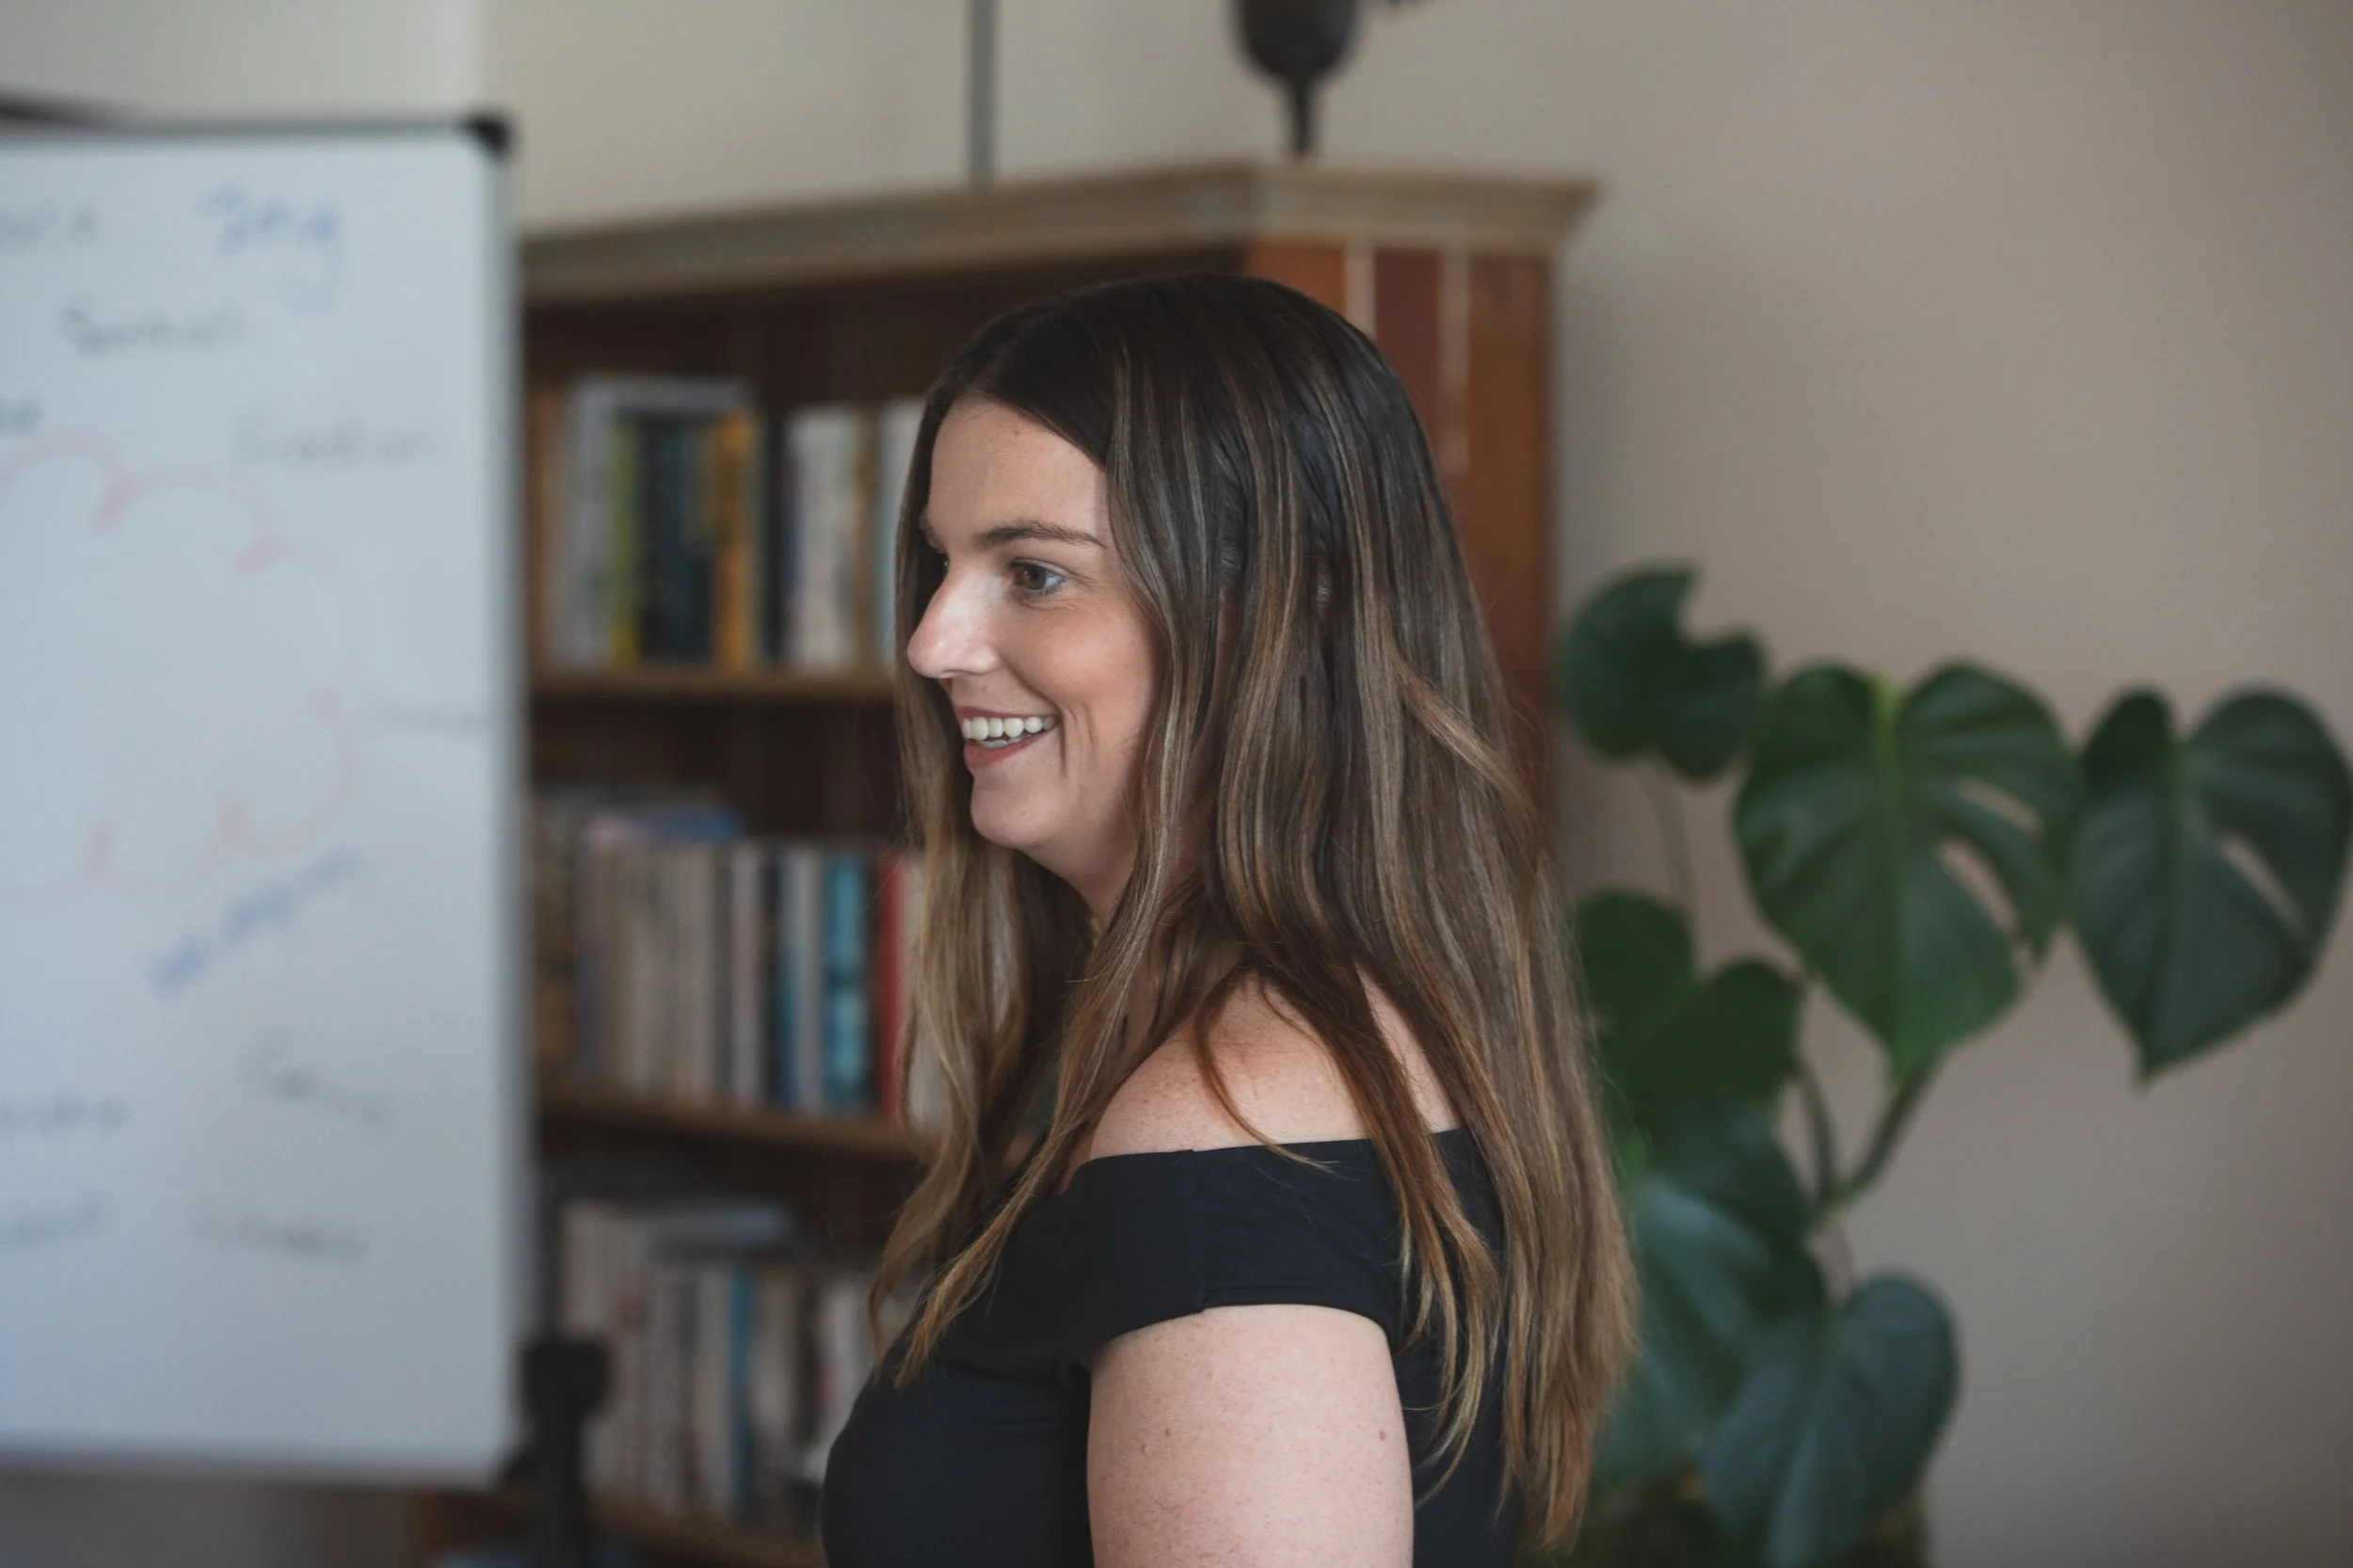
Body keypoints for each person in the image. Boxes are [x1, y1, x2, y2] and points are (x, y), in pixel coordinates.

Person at [819, 272, 1634, 1567]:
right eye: (942, 561)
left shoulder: (1229, 1124)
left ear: (1269, 613)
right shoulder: (1326, 1042)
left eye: (1033, 571)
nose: (932, 639)